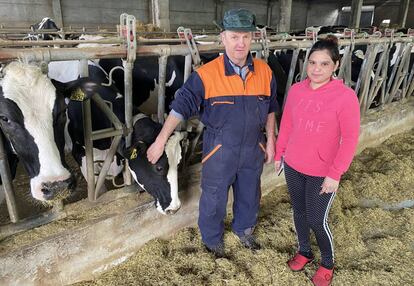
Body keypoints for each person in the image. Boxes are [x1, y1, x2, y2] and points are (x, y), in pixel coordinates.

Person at [147, 8, 278, 258]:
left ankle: (245, 230)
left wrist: (271, 140)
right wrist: (160, 141)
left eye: (246, 37)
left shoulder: (265, 71)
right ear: (223, 38)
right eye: (234, 37)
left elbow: (271, 107)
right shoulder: (206, 75)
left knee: (250, 193)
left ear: (253, 39)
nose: (240, 43)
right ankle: (212, 239)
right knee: (214, 198)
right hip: (220, 148)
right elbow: (180, 108)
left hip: (254, 146)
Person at [274, 35, 360, 286]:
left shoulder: (345, 97)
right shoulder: (297, 90)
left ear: (335, 66)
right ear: (306, 63)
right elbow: (287, 124)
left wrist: (335, 173)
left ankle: (327, 263)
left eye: (324, 64)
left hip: (322, 171)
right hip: (293, 165)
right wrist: (280, 153)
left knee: (316, 219)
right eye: (312, 62)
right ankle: (304, 251)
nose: (316, 69)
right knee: (299, 211)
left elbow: (350, 138)